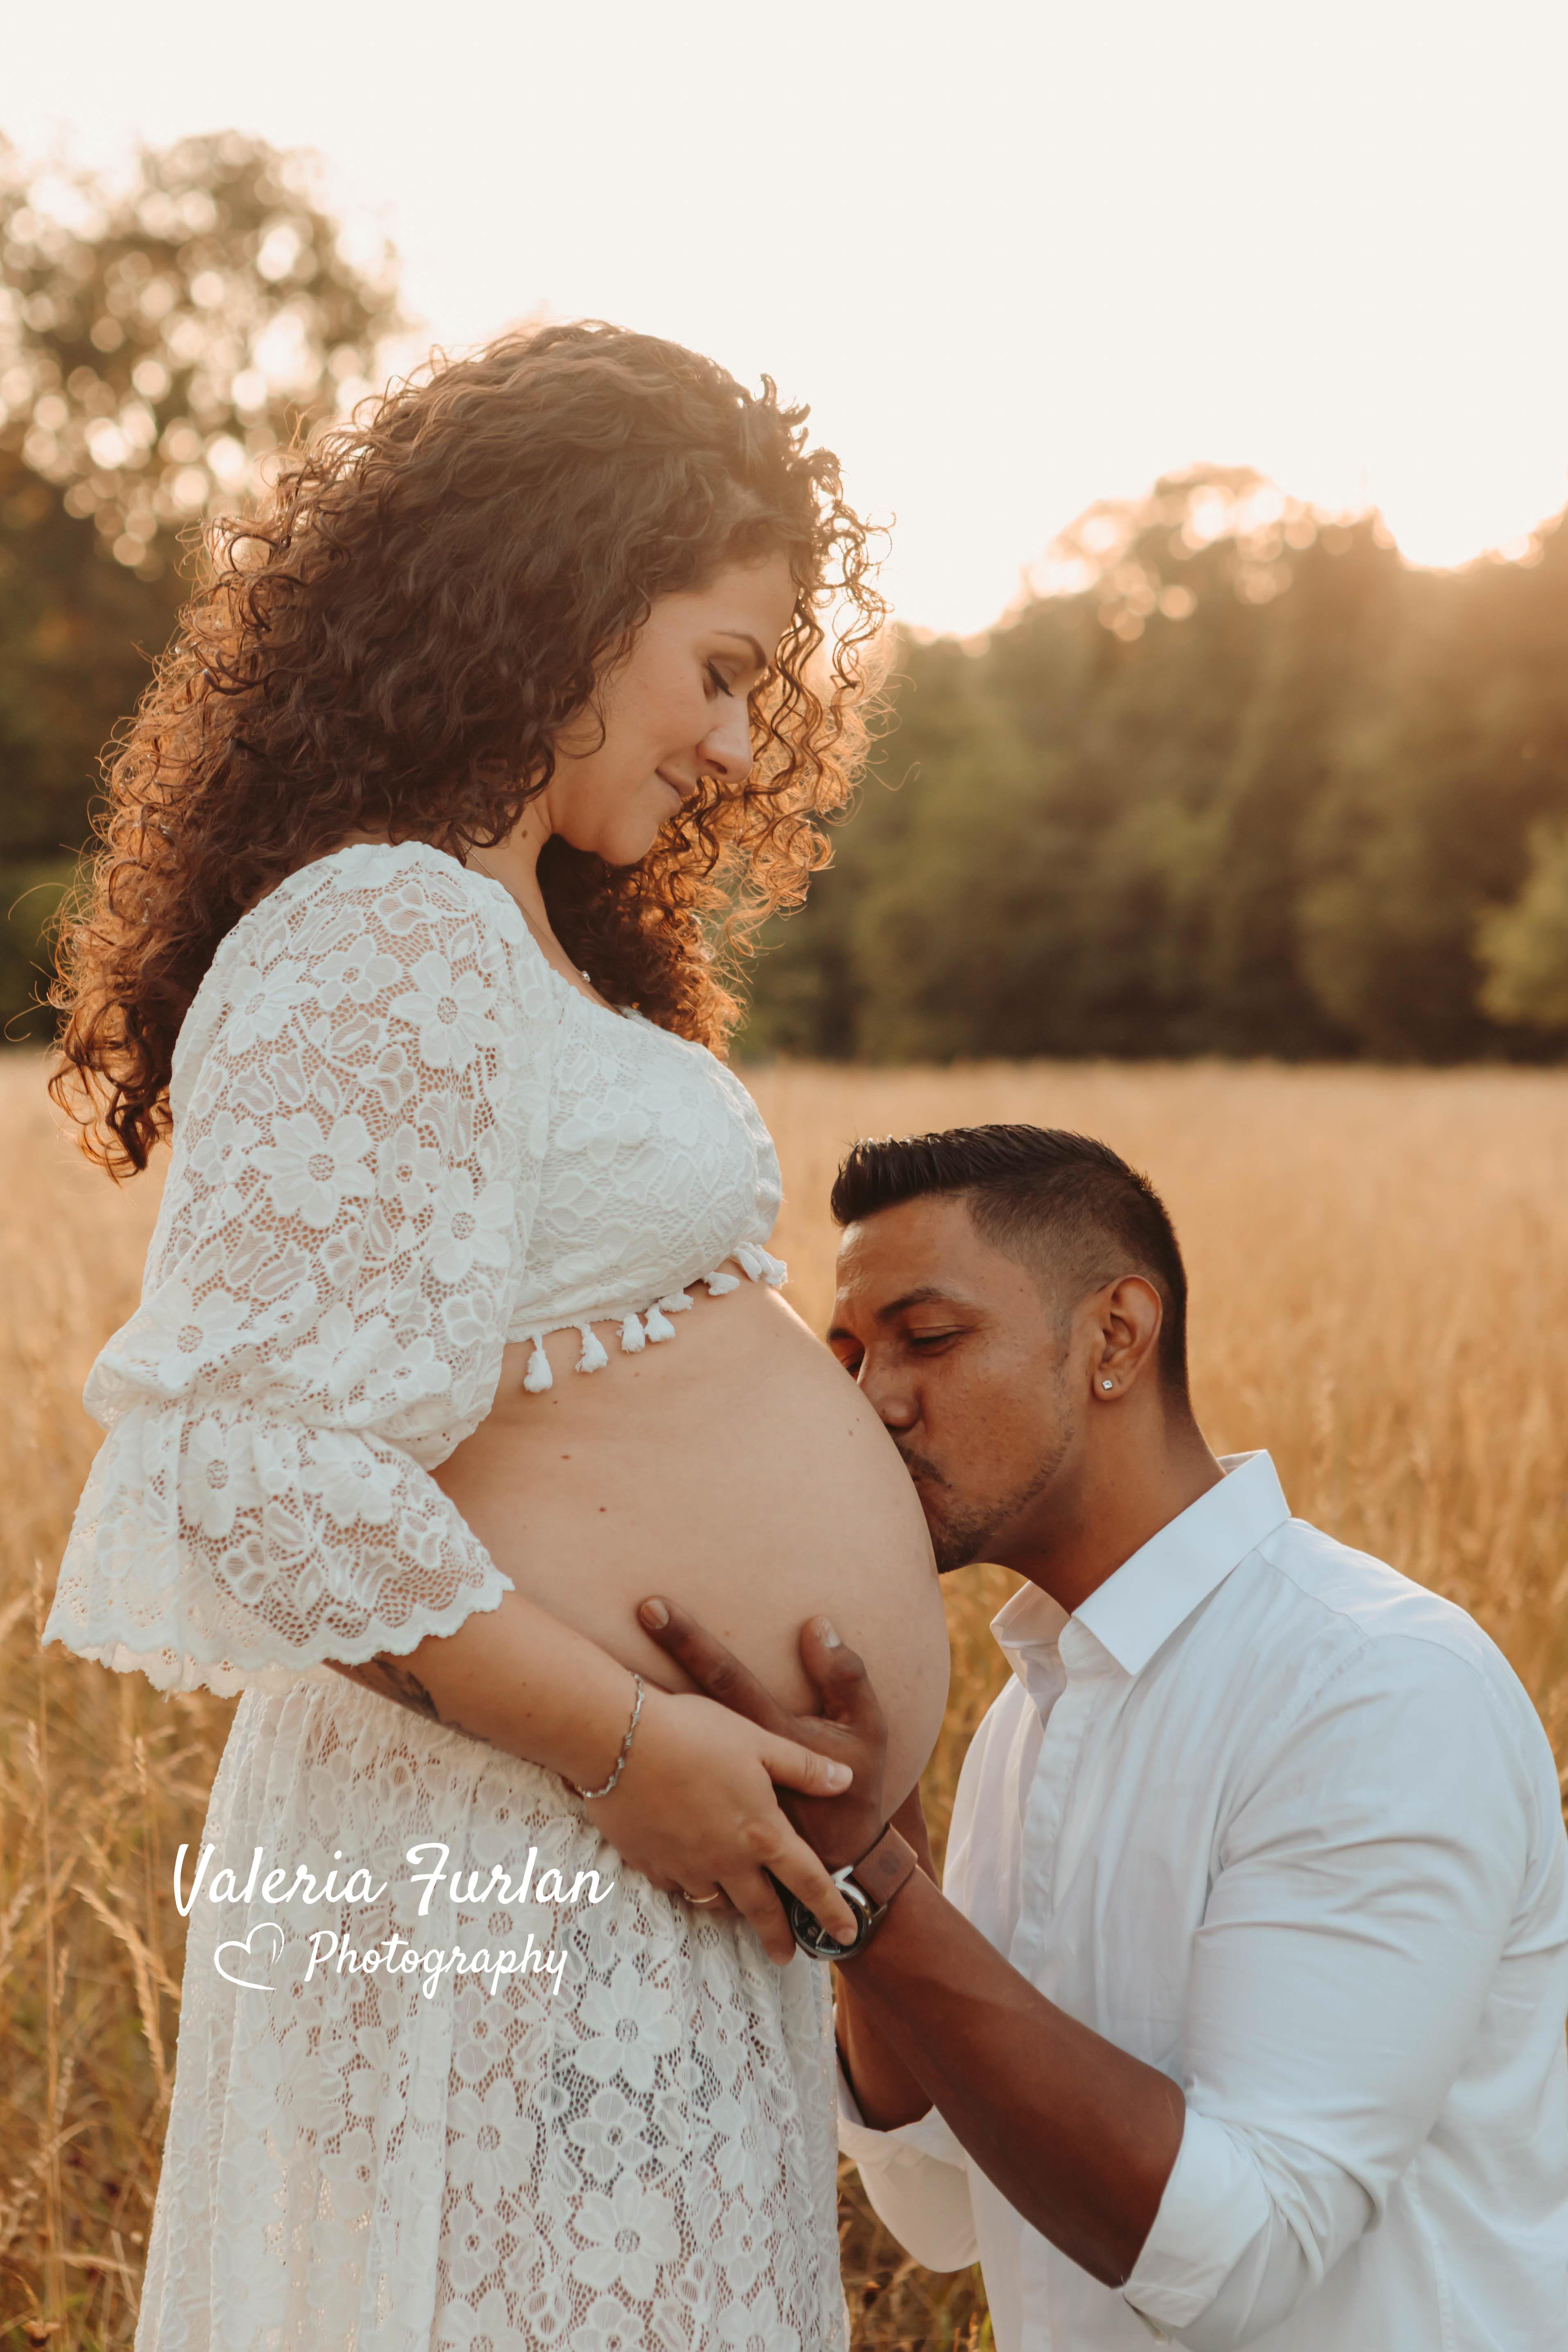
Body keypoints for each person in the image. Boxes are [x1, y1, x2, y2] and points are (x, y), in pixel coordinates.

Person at [42, 324, 950, 2352]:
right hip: (517, 1847)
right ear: (567, 586)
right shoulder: (387, 926)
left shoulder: (515, 931)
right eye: (718, 667)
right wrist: (639, 1749)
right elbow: (258, 1456)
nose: (735, 742)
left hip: (617, 1859)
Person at [641, 1123, 1568, 2350]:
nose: (874, 1404)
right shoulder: (1030, 1711)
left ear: (1116, 1339)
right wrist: (875, 1834)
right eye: (850, 1357)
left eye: (927, 1339)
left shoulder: (1375, 1686)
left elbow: (1247, 2255)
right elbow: (937, 2210)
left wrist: (871, 1885)